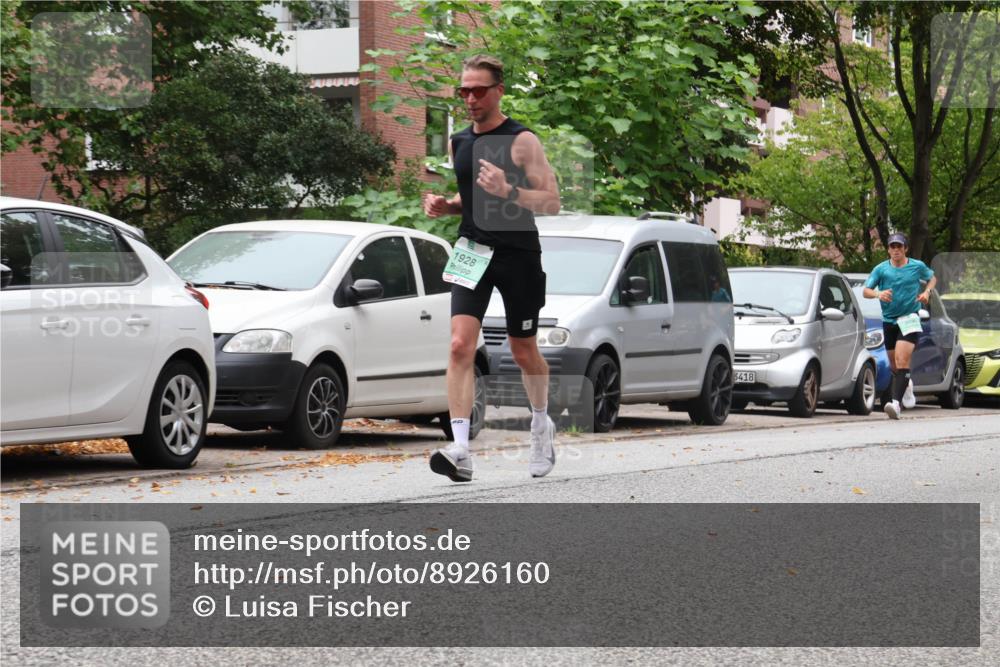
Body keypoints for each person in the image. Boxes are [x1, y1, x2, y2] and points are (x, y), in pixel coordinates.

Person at [423, 54, 561, 482]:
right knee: (459, 346)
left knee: (523, 350)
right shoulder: (459, 142)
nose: (469, 98)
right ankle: (461, 449)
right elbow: (472, 192)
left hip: (518, 254)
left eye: (478, 90)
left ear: (499, 90)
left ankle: (541, 424)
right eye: (463, 91)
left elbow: (551, 201)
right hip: (471, 250)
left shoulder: (523, 141)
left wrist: (508, 189)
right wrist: (450, 205)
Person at [863, 232, 936, 419]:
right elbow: (866, 291)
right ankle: (907, 384)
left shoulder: (916, 266)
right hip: (888, 320)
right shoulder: (881, 269)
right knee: (894, 365)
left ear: (905, 249)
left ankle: (895, 404)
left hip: (909, 318)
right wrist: (879, 294)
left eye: (899, 247)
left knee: (903, 361)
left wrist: (927, 292)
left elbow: (932, 278)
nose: (896, 250)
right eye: (892, 247)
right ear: (888, 250)